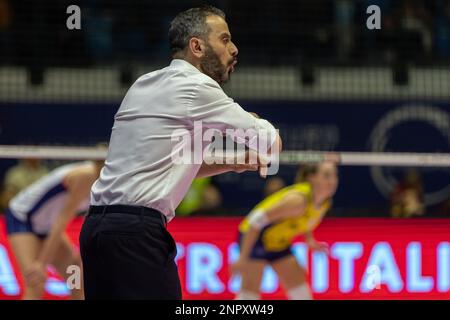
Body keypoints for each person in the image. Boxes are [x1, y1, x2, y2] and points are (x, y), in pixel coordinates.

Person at [80, 5, 281, 300]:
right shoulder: (198, 87)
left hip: (97, 230)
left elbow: (172, 161)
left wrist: (234, 162)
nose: (234, 49)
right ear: (197, 46)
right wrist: (254, 120)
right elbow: (270, 143)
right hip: (137, 235)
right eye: (224, 39)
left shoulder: (143, 84)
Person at [232, 161, 338, 300]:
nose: (332, 181)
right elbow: (255, 221)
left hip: (278, 242)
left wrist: (309, 240)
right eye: (326, 175)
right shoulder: (297, 200)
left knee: (300, 288)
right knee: (250, 293)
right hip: (255, 237)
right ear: (312, 178)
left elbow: (307, 221)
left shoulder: (324, 202)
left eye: (334, 176)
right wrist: (242, 258)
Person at [5, 159, 103, 299]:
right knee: (36, 281)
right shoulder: (87, 175)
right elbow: (62, 221)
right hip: (23, 219)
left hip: (47, 225)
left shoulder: (108, 181)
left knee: (76, 278)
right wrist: (41, 264)